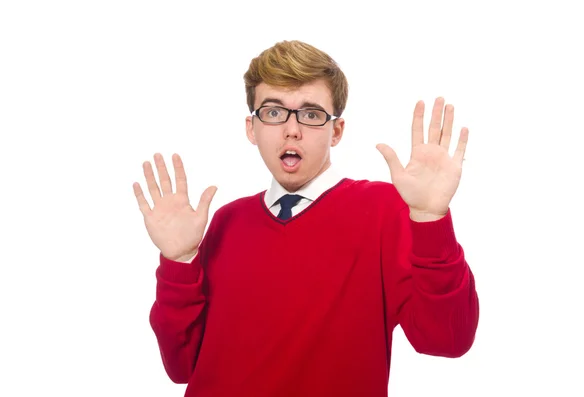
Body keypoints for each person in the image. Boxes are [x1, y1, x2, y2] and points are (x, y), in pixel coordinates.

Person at [133, 40, 479, 397]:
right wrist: (179, 262)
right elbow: (181, 366)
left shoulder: (383, 210)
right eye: (273, 112)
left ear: (337, 130)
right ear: (252, 128)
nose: (292, 129)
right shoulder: (225, 222)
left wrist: (429, 219)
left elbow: (448, 339)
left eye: (311, 114)